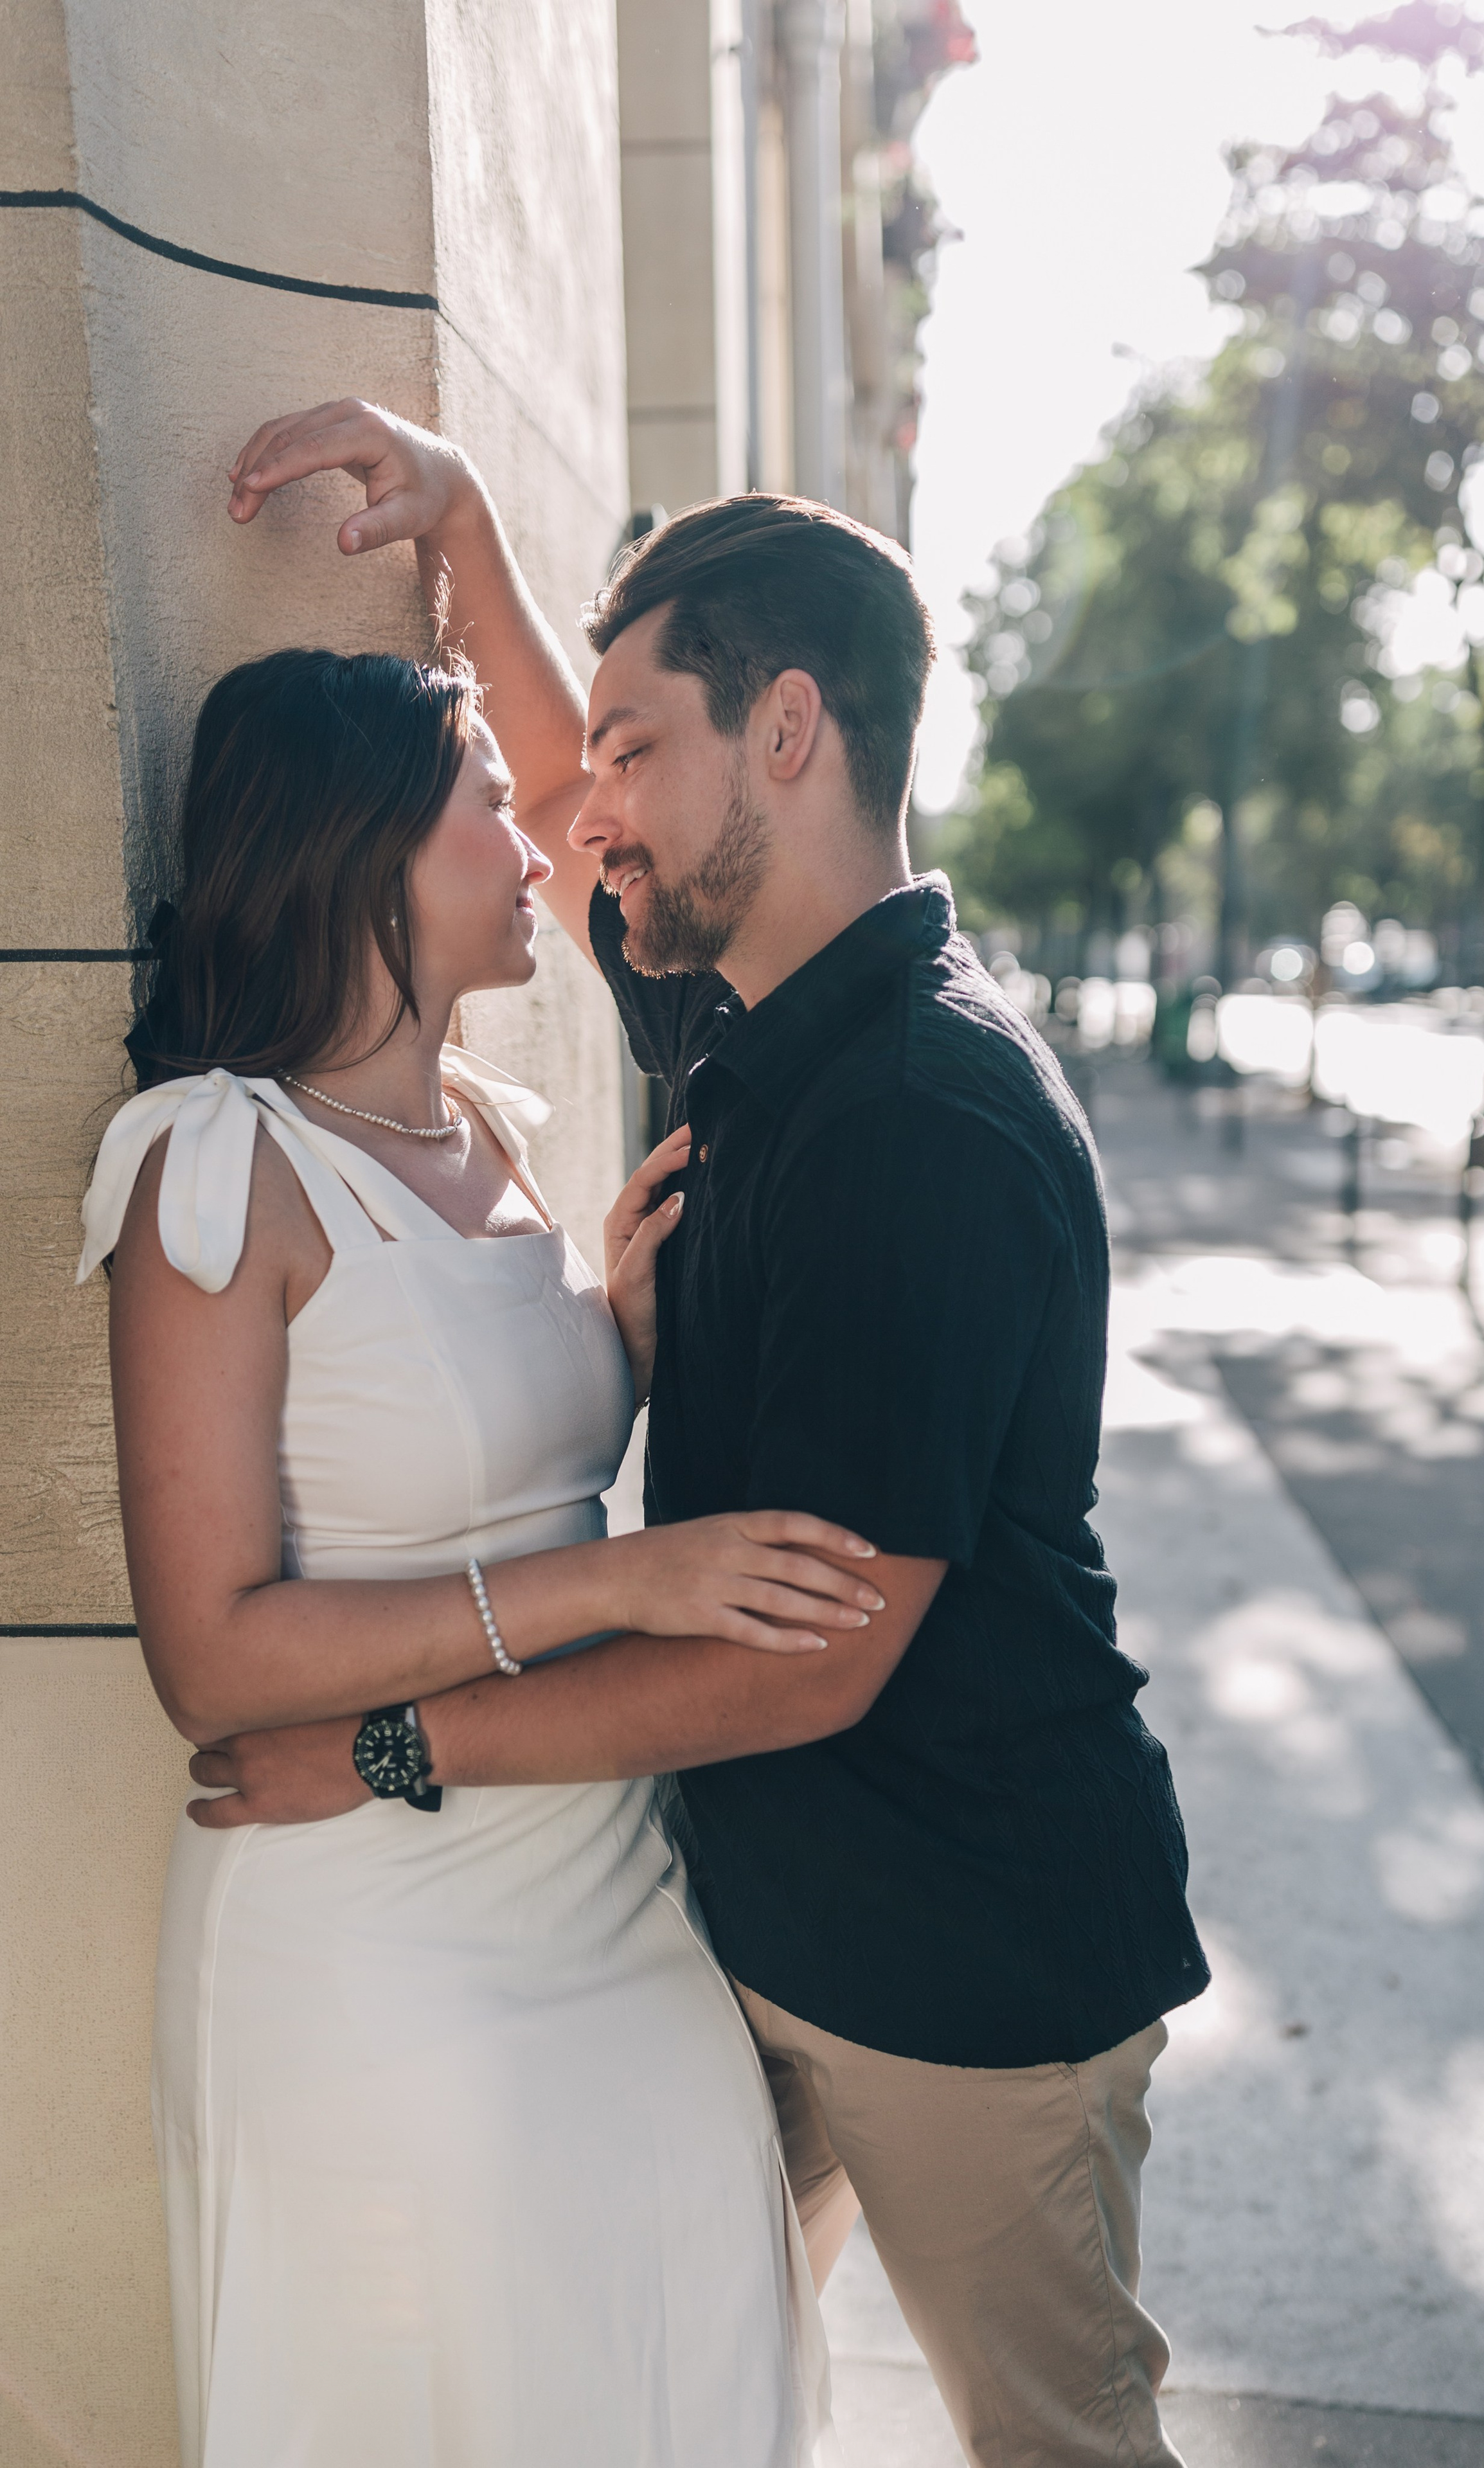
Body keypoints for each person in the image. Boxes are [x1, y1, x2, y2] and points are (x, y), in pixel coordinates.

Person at [201, 400, 1211, 2468]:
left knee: (1061, 2449)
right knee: (663, 2389)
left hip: (970, 1972)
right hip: (760, 1936)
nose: (591, 817)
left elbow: (806, 1666)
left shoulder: (918, 1119)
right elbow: (551, 776)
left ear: (790, 733)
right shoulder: (747, 1008)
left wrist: (384, 1751)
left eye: (643, 751)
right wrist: (465, 522)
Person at [82, 645, 883, 2465]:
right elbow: (211, 1657)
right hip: (372, 1926)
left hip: (616, 1885)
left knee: (675, 2364)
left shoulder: (498, 1137)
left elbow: (470, 1462)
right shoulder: (218, 1164)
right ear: (363, 847)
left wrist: (616, 1349)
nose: (544, 850)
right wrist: (621, 1584)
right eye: (492, 810)